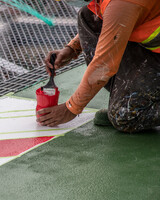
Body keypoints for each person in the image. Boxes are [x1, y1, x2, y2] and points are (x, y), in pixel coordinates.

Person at [37, 0, 160, 133]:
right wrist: (72, 48)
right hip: (146, 46)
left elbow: (104, 64)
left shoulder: (122, 3)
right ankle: (124, 100)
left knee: (125, 117)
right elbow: (111, 20)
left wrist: (71, 108)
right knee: (88, 16)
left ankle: (130, 107)